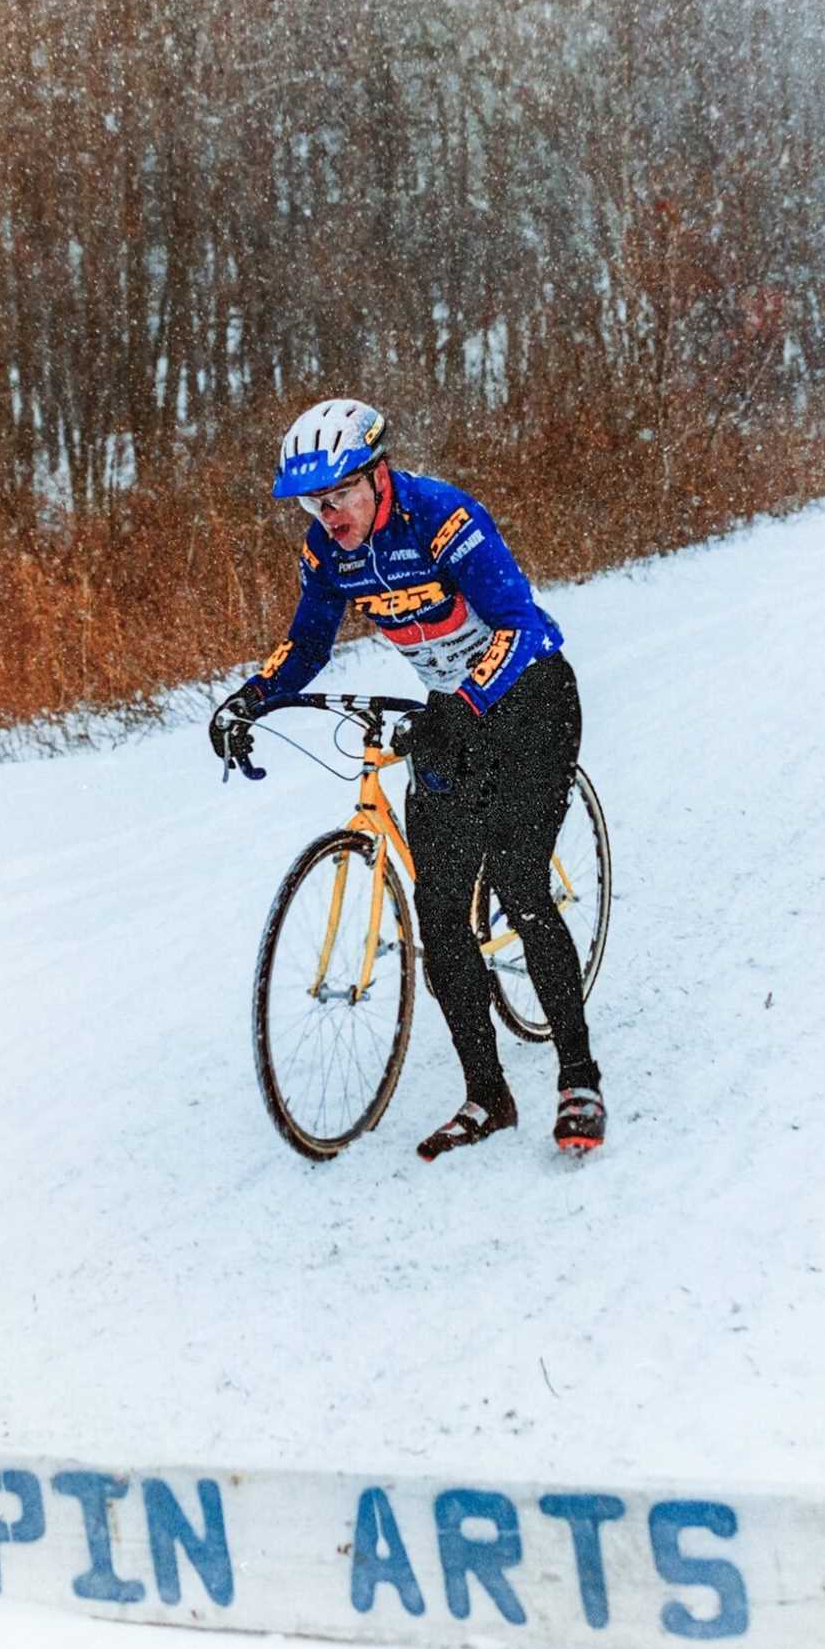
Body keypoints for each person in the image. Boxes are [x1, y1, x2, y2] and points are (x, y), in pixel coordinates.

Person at [209, 398, 606, 1161]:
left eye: (339, 497)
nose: (328, 515)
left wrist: (464, 702)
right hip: (450, 718)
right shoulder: (328, 556)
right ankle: (487, 1096)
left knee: (522, 887)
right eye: (313, 504)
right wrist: (251, 697)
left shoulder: (442, 518)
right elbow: (306, 643)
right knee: (442, 918)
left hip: (531, 700)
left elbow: (519, 624)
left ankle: (578, 1077)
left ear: (376, 474)